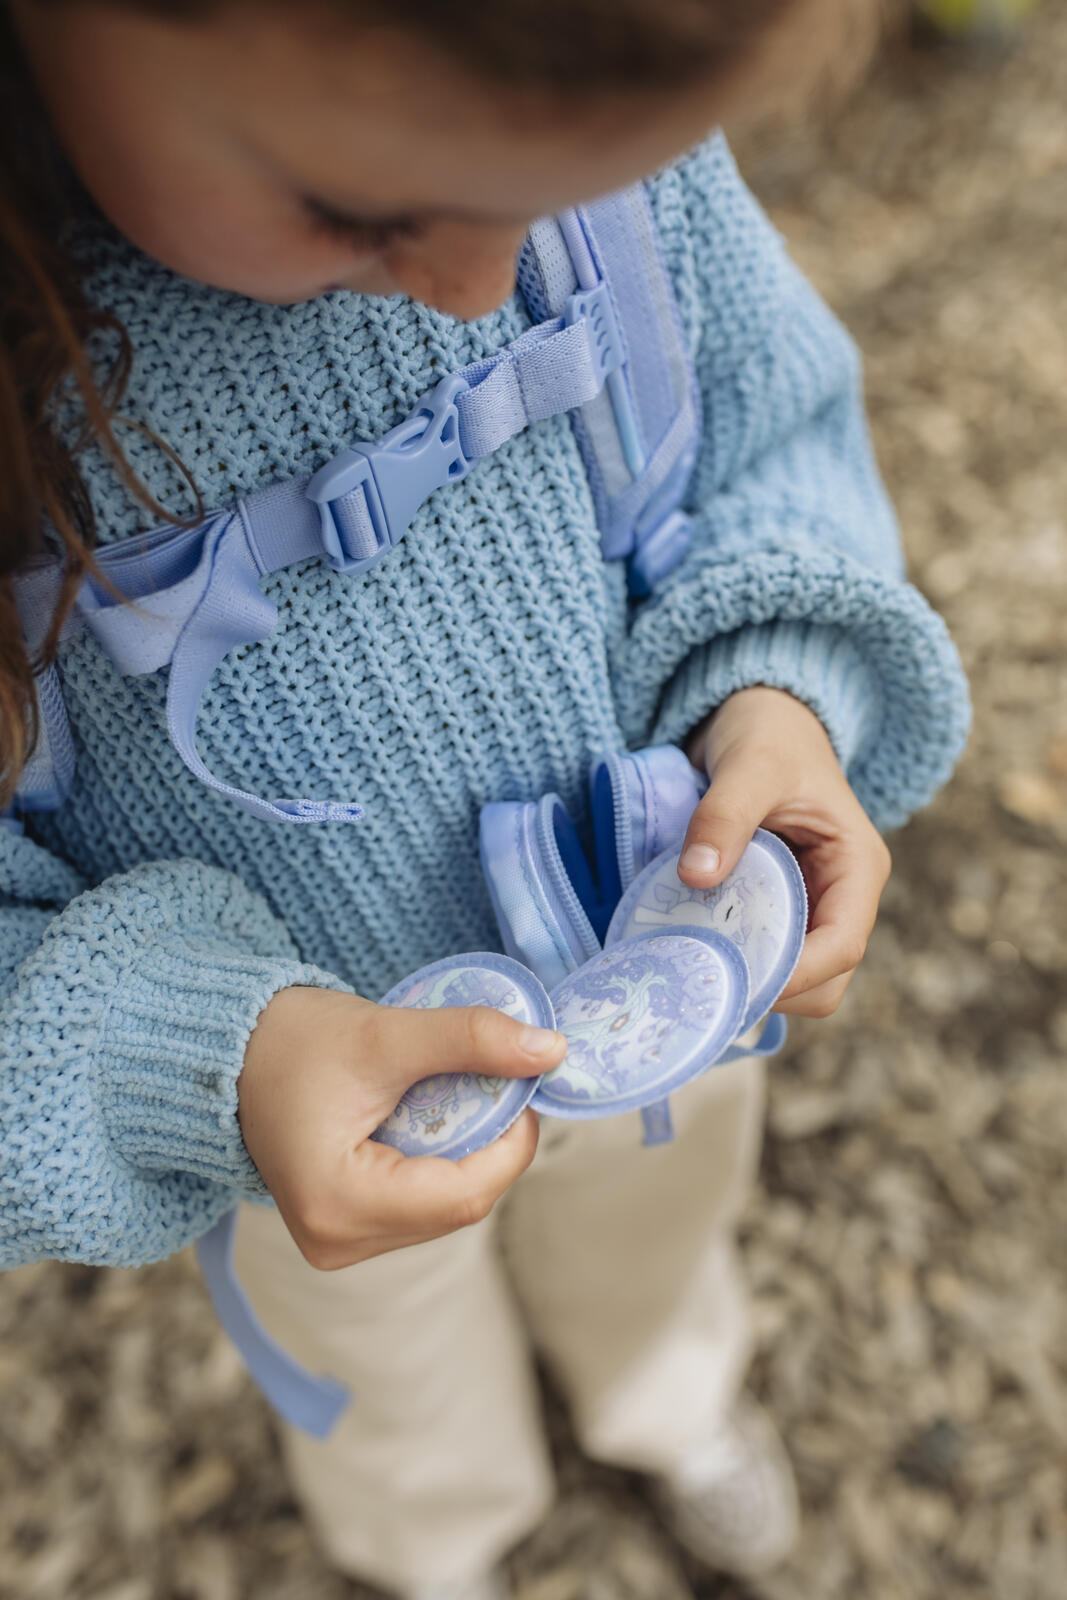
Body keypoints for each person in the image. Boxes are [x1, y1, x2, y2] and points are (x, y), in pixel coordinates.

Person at [0, 2, 970, 1596]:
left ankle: (664, 1397)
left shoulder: (563, 123)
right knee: (389, 1378)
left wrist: (782, 690)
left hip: (670, 956)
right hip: (312, 1127)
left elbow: (765, 442)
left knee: (660, 1226)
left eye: (554, 198)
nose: (476, 286)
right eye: (365, 210)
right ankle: (439, 1544)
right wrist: (204, 1060)